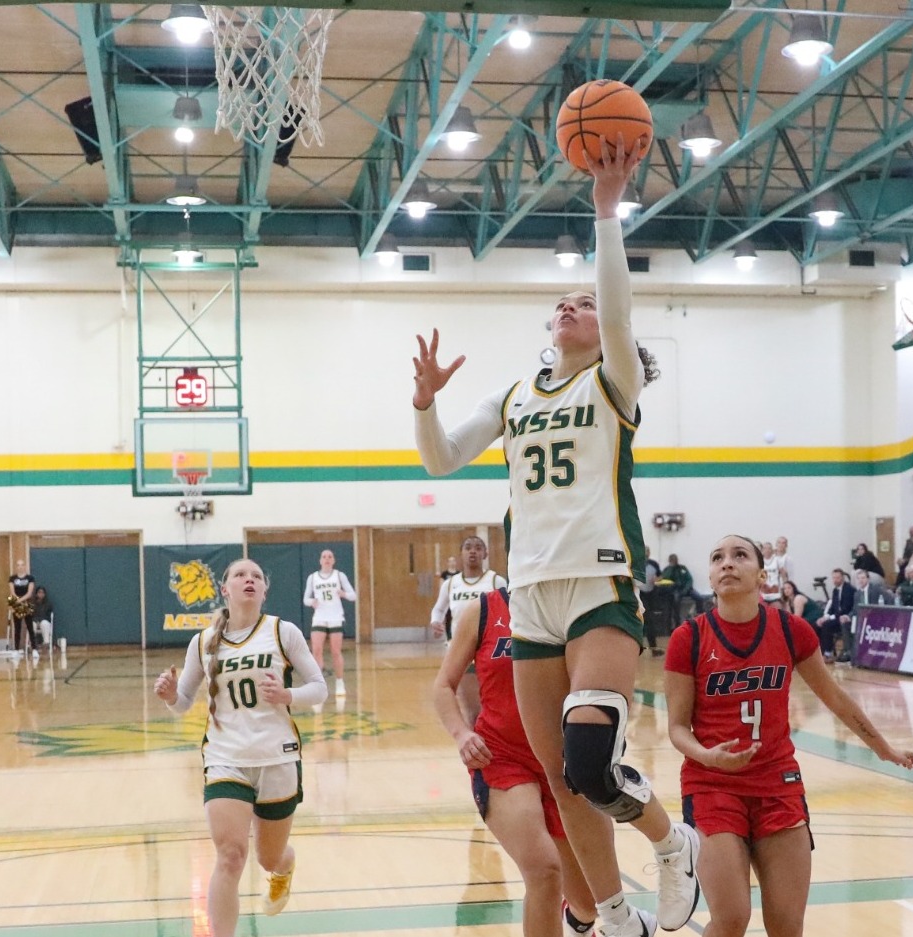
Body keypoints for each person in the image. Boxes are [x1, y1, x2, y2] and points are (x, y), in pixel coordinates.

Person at [412, 137, 698, 937]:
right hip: (529, 590)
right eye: (562, 301)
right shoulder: (514, 397)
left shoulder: (613, 381)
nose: (572, 306)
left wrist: (607, 212)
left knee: (587, 760)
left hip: (599, 580)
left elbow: (618, 308)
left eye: (583, 302)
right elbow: (441, 456)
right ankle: (612, 914)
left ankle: (673, 842)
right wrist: (427, 402)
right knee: (557, 777)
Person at [664, 535, 913, 937]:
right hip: (712, 784)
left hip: (778, 783)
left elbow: (834, 696)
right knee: (730, 921)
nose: (727, 563)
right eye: (717, 558)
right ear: (710, 577)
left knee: (786, 926)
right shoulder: (688, 638)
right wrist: (708, 756)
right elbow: (677, 728)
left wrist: (882, 748)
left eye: (739, 555)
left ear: (762, 575)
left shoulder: (790, 630)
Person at [153, 558, 326, 934]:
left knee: (269, 857)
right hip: (224, 756)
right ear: (225, 589)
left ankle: (285, 864)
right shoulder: (203, 643)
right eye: (240, 575)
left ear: (264, 590)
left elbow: (319, 687)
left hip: (277, 756)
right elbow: (183, 703)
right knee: (231, 856)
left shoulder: (283, 632)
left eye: (257, 576)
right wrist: (170, 695)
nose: (249, 579)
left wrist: (287, 694)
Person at [432, 587, 597, 937]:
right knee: (544, 871)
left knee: (589, 902)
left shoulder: (574, 603)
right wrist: (462, 734)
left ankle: (576, 922)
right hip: (501, 757)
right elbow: (443, 684)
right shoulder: (483, 610)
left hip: (563, 762)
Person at [302, 549, 358, 699]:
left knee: (335, 651)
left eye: (330, 556)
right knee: (317, 650)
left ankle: (340, 683)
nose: (327, 559)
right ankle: (318, 685)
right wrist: (311, 602)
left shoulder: (339, 576)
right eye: (324, 557)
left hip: (335, 617)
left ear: (333, 560)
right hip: (319, 616)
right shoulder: (313, 577)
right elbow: (305, 599)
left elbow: (354, 595)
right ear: (320, 560)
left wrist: (344, 594)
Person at [430, 536, 507, 641]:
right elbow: (439, 609)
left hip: (488, 644)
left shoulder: (497, 581)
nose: (473, 551)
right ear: (461, 554)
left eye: (478, 548)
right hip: (458, 643)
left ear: (485, 554)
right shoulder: (450, 583)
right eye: (468, 548)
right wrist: (436, 621)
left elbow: (509, 611)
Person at [815, 568, 856, 663]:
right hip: (837, 617)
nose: (835, 580)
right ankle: (820, 652)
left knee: (827, 625)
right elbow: (833, 606)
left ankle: (827, 653)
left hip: (846, 618)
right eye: (834, 578)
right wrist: (825, 616)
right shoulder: (835, 590)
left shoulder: (849, 589)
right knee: (818, 625)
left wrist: (830, 617)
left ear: (843, 578)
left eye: (837, 577)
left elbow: (845, 609)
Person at [8, 559, 37, 660]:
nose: (20, 567)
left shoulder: (30, 578)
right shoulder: (12, 578)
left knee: (30, 626)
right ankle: (16, 650)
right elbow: (12, 592)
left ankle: (34, 649)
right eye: (18, 565)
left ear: (25, 566)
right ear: (16, 567)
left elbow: (29, 592)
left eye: (22, 565)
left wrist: (21, 600)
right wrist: (16, 601)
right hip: (16, 602)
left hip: (27, 602)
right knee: (17, 627)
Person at [31, 586, 55, 651]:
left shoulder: (48, 604)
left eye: (42, 593)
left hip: (44, 621)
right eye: (39, 592)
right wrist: (36, 621)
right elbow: (31, 615)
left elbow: (48, 616)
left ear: (44, 594)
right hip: (35, 621)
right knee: (31, 624)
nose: (41, 594)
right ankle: (32, 644)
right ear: (36, 594)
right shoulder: (32, 604)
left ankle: (46, 643)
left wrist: (40, 620)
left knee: (44, 623)